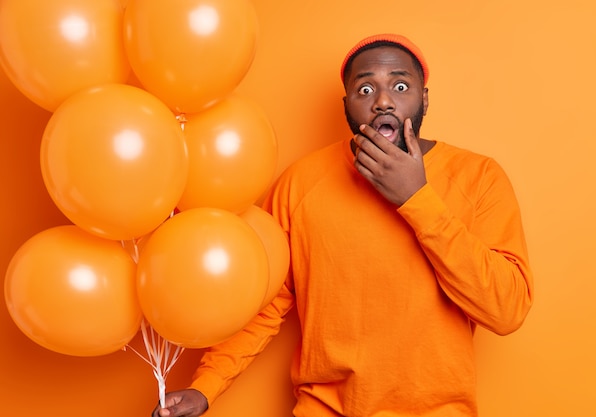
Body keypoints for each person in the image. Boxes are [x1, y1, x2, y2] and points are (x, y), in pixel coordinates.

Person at [152, 33, 534, 417]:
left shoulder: (479, 177)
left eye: (400, 86)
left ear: (424, 99)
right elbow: (264, 305)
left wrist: (416, 198)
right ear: (346, 105)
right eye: (365, 88)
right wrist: (207, 386)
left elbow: (507, 309)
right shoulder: (300, 183)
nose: (383, 100)